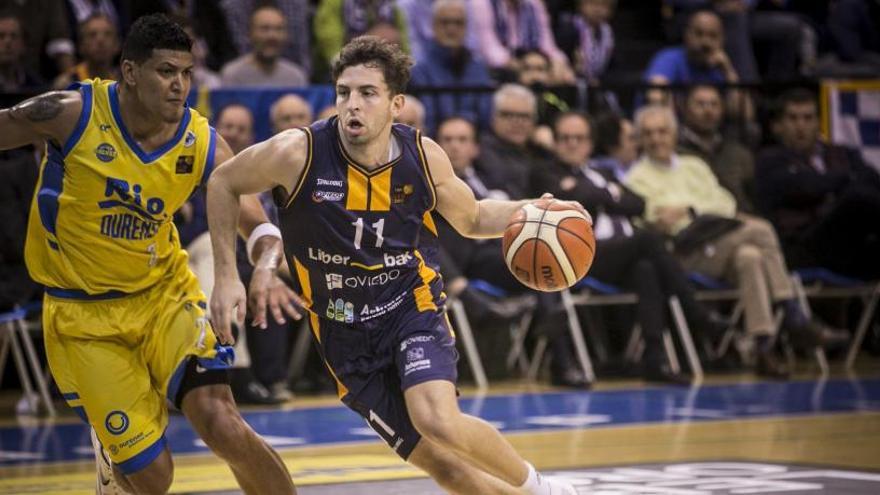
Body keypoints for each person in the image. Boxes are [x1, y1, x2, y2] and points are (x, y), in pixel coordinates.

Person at [208, 35, 580, 495]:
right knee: (449, 471)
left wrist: (533, 212)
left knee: (437, 420)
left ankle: (544, 488)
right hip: (344, 334)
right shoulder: (297, 153)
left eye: (368, 93)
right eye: (344, 92)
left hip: (410, 306)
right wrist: (228, 275)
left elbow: (474, 217)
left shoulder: (422, 157)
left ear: (396, 104)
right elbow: (223, 182)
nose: (352, 105)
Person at [0, 14, 296, 494]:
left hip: (164, 297)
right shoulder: (70, 113)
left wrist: (261, 267)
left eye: (186, 73)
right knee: (155, 478)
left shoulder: (200, 143)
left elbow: (259, 224)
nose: (179, 85)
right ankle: (111, 456)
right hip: (84, 317)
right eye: (165, 72)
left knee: (223, 423)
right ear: (130, 72)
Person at [626, 105, 848, 378]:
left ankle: (763, 347)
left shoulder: (695, 166)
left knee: (751, 257)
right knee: (762, 229)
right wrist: (698, 211)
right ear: (639, 139)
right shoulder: (636, 178)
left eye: (662, 131)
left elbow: (725, 203)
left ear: (674, 134)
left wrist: (690, 210)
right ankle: (792, 312)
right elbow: (656, 217)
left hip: (721, 241)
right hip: (684, 254)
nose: (656, 139)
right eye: (648, 133)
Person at [540, 111, 725, 384]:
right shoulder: (544, 172)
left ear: (591, 144)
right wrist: (606, 195)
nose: (572, 144)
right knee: (647, 239)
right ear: (555, 143)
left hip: (617, 257)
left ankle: (655, 359)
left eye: (579, 138)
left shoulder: (601, 171)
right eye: (565, 138)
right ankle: (694, 310)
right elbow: (576, 199)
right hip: (578, 257)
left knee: (646, 268)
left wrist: (595, 194)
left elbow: (637, 203)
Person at [755, 88, 880, 279]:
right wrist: (847, 179)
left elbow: (873, 179)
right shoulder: (769, 159)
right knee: (857, 199)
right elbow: (806, 187)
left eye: (808, 118)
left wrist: (837, 182)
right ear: (777, 126)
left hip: (850, 246)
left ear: (818, 123)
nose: (801, 126)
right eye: (793, 118)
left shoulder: (842, 153)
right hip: (804, 245)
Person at [220, 5, 308, 88]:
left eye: (279, 29)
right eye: (264, 29)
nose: (272, 36)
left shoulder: (296, 77)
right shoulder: (232, 75)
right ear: (250, 34)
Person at [54, 12, 120, 89]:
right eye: (92, 35)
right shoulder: (67, 84)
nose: (101, 40)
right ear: (81, 45)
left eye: (108, 34)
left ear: (117, 45)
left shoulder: (122, 83)